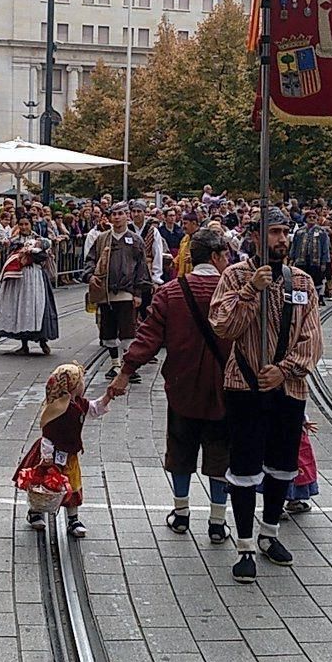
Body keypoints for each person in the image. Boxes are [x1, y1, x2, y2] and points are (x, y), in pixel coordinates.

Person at [209, 208, 323, 582]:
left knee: (283, 466)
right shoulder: (235, 276)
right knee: (244, 467)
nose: (281, 239)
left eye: (284, 231)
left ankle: (269, 533)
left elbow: (312, 338)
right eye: (273, 232)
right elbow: (224, 326)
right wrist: (250, 291)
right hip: (244, 385)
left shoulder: (303, 283)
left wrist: (285, 369)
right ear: (255, 236)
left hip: (288, 387)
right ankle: (243, 546)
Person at [109, 229, 232, 543]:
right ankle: (217, 522)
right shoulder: (233, 292)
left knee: (181, 450)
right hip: (225, 388)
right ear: (217, 257)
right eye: (226, 255)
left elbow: (148, 337)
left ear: (192, 257)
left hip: (182, 386)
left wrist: (125, 372)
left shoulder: (171, 293)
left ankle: (181, 514)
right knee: (220, 454)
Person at [14, 363, 113, 538]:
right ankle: (35, 511)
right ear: (73, 386)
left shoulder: (79, 403)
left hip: (70, 455)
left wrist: (108, 396)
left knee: (72, 486)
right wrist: (46, 456)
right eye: (81, 382)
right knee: (44, 485)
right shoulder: (58, 408)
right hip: (51, 455)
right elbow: (48, 434)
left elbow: (95, 408)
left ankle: (73, 519)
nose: (84, 385)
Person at [84, 202, 149, 383]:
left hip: (126, 292)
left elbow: (141, 268)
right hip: (105, 292)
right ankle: (115, 364)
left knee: (128, 330)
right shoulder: (102, 238)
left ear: (127, 216)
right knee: (108, 330)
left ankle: (129, 367)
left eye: (120, 214)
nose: (117, 217)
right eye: (114, 214)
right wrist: (89, 276)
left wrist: (138, 292)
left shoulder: (135, 240)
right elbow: (90, 260)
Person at [0, 216, 59, 355]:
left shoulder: (40, 240)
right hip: (19, 277)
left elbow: (45, 257)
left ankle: (43, 341)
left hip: (36, 276)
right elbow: (8, 258)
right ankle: (24, 344)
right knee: (20, 308)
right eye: (21, 224)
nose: (24, 227)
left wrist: (31, 255)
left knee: (38, 307)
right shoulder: (14, 241)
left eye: (26, 224)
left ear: (31, 225)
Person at [289, 209, 331, 298]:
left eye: (314, 217)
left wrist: (324, 262)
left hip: (316, 261)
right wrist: (291, 258)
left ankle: (316, 298)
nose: (311, 219)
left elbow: (325, 248)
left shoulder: (321, 232)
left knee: (316, 280)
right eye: (309, 217)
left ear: (317, 219)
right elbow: (294, 245)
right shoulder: (299, 232)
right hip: (301, 260)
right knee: (301, 280)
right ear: (306, 219)